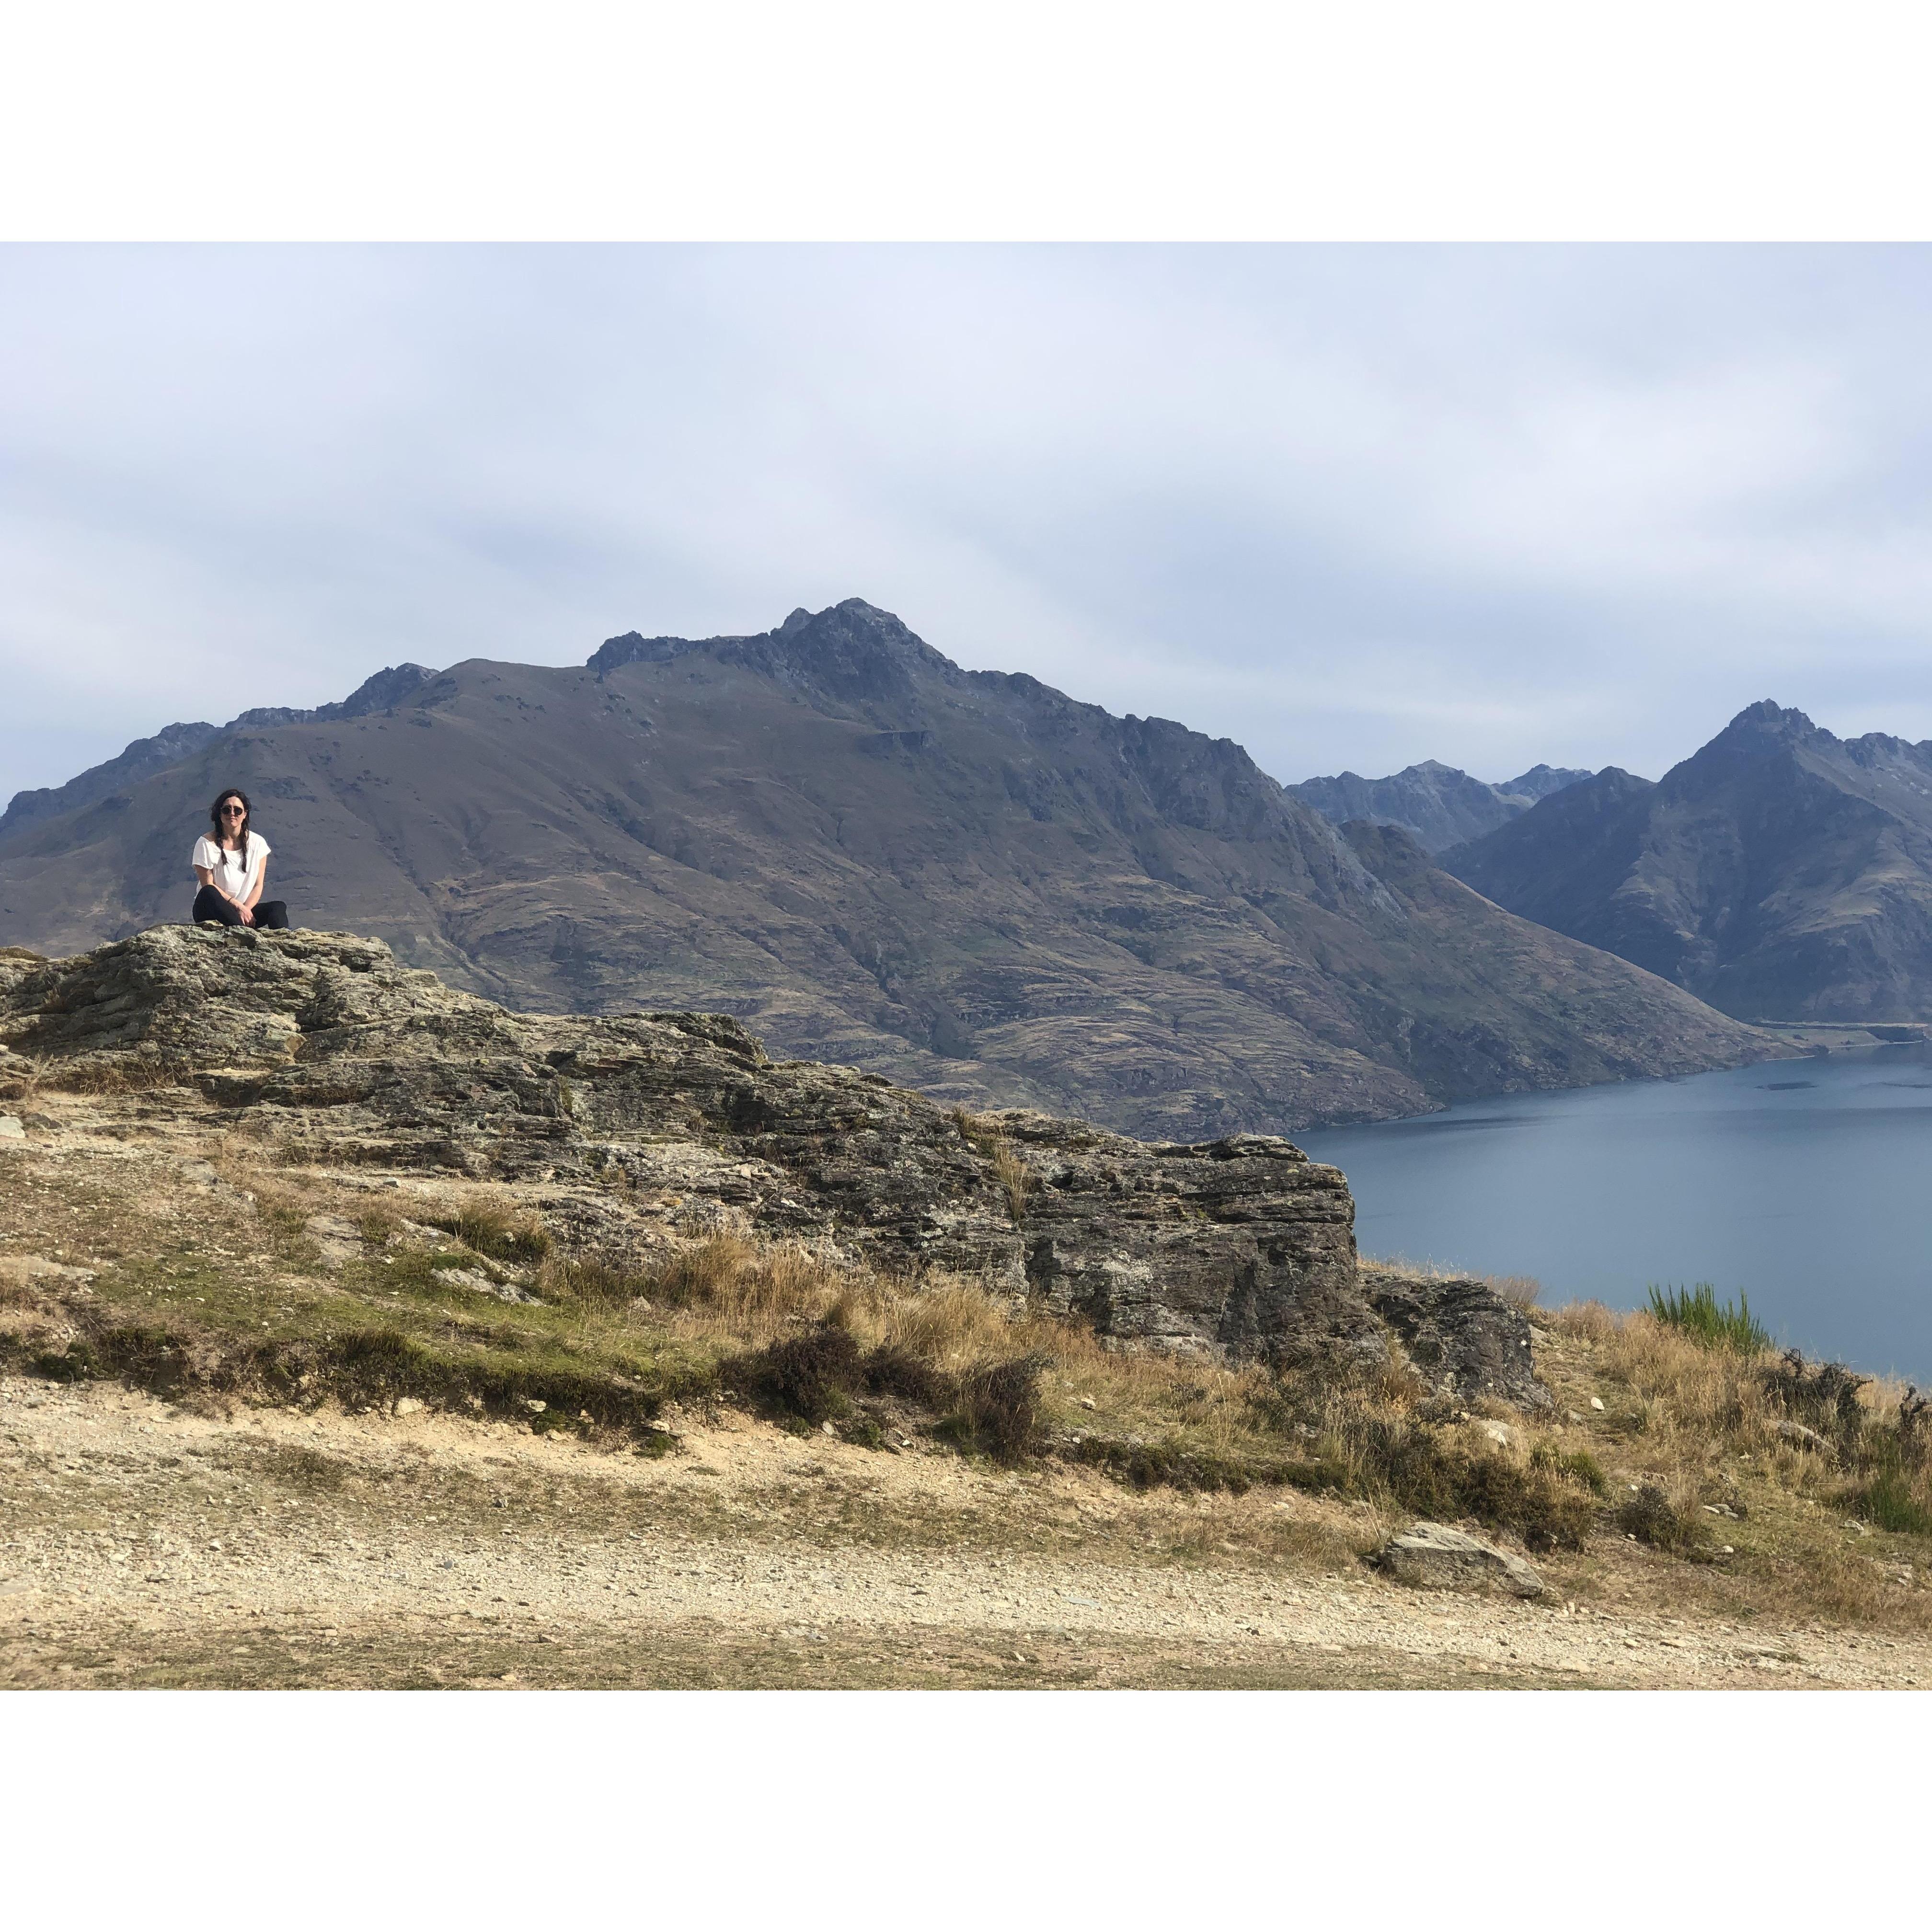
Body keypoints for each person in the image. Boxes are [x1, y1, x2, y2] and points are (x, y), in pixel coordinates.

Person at [190, 789, 290, 929]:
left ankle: (283, 941)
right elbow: (208, 884)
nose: (232, 813)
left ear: (245, 814)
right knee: (208, 892)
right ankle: (246, 934)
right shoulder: (206, 843)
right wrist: (237, 906)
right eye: (226, 810)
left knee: (278, 907)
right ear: (219, 814)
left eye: (237, 810)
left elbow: (258, 885)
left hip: (241, 910)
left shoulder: (257, 843)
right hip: (211, 909)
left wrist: (246, 910)